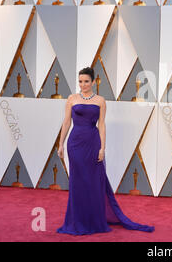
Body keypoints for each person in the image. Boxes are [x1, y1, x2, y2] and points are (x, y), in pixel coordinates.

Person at [57, 67, 155, 235]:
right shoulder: (71, 99)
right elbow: (66, 122)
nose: (83, 84)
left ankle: (93, 220)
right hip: (75, 144)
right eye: (80, 81)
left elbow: (101, 124)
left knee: (93, 181)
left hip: (93, 143)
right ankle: (77, 220)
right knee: (77, 182)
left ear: (93, 82)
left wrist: (103, 147)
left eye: (86, 81)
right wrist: (60, 144)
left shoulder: (101, 101)